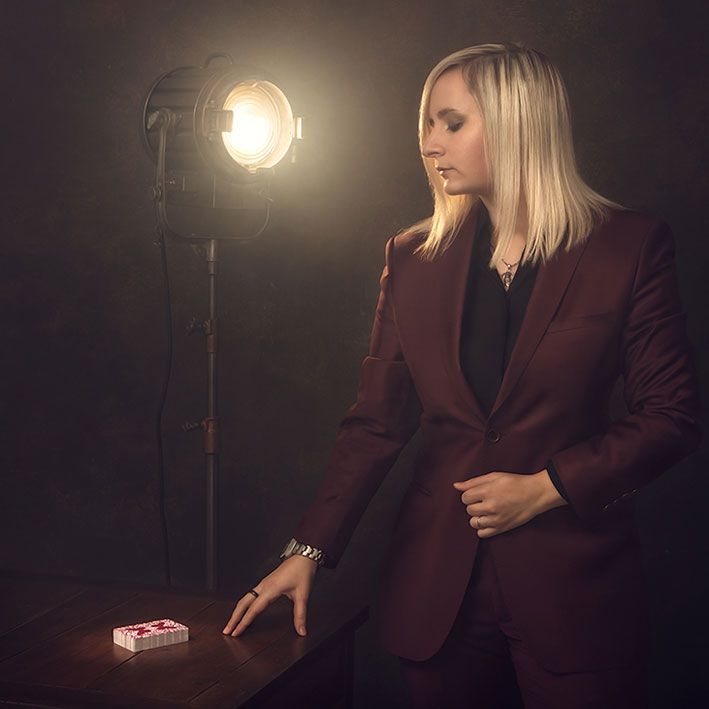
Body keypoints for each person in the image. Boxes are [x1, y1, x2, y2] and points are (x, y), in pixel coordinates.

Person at [222, 43, 702, 708]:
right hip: (436, 593)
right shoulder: (411, 258)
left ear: (517, 124)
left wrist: (545, 488)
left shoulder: (628, 246)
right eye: (427, 124)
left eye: (451, 123)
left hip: (573, 590)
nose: (429, 144)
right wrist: (308, 549)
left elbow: (671, 417)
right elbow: (375, 423)